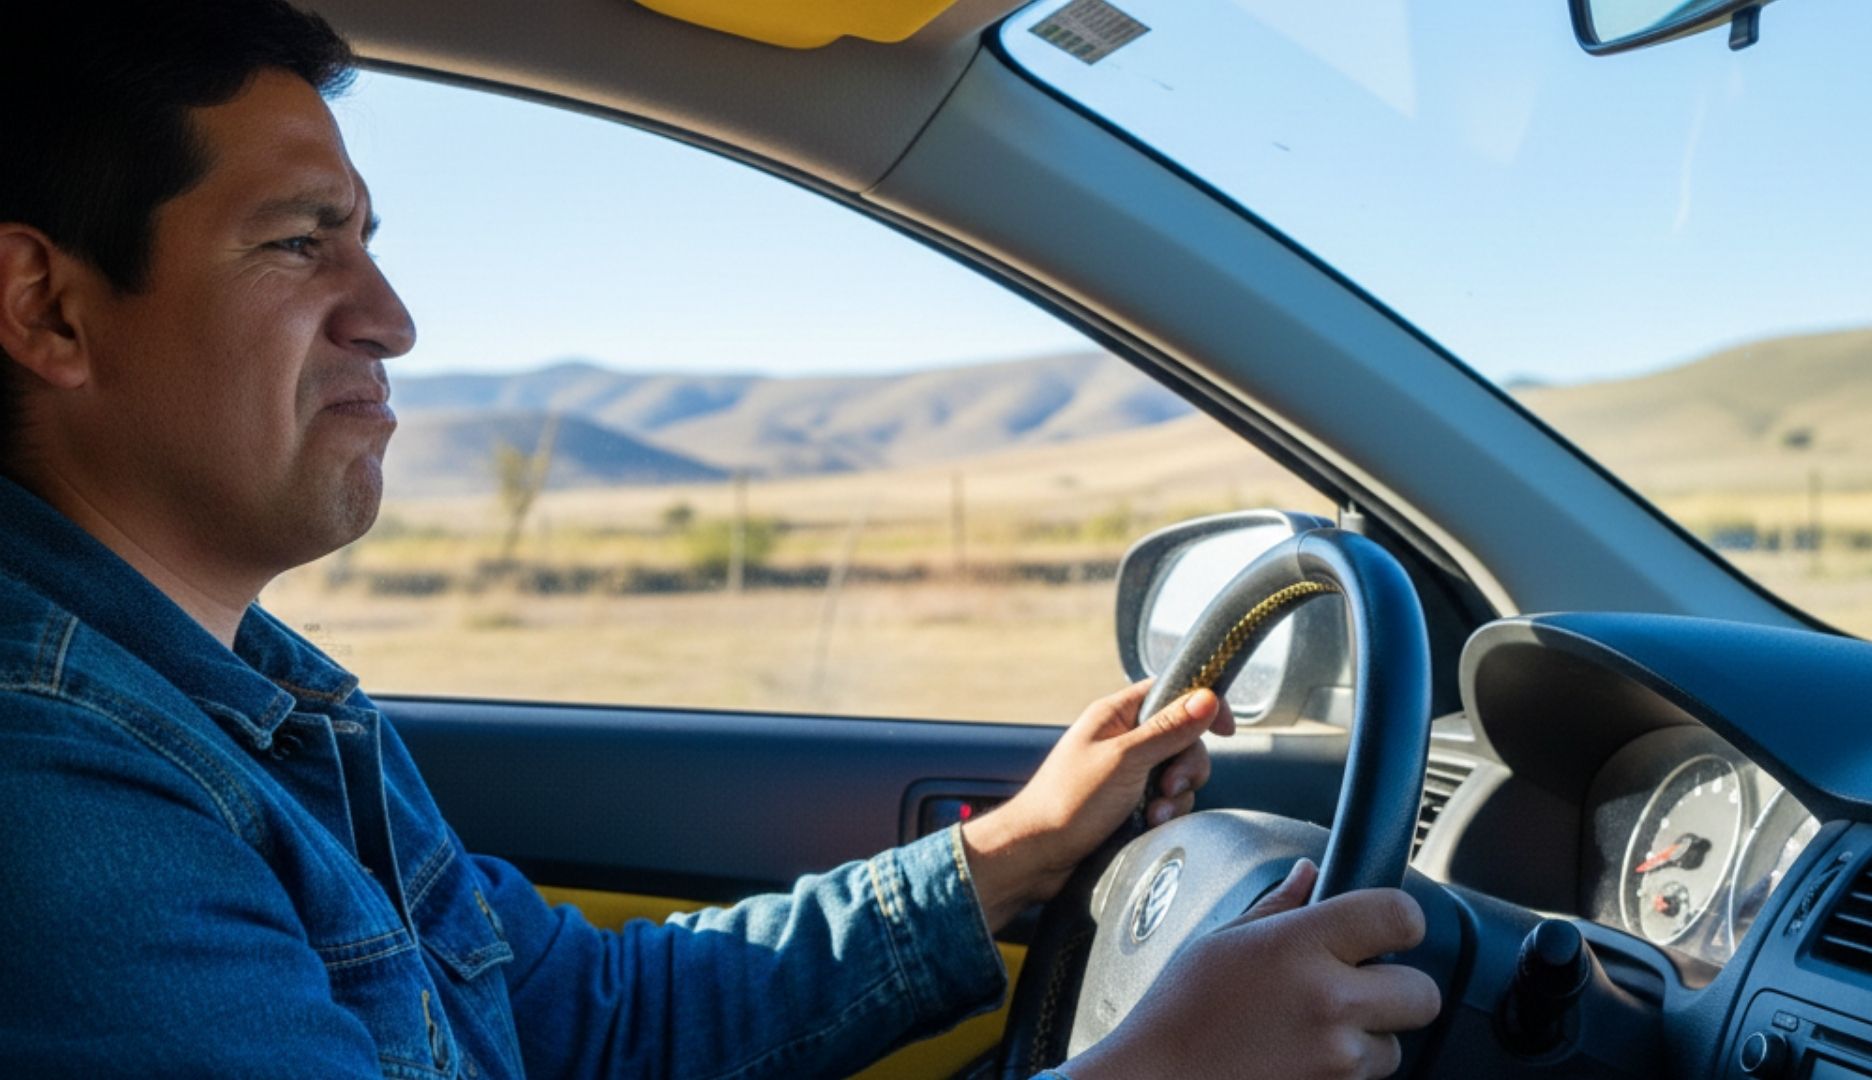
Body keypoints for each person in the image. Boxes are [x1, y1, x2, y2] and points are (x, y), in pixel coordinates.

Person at [0, 3, 1442, 1077]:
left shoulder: (256, 704)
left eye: (368, 238)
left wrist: (1004, 856)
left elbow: (574, 1017)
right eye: (301, 241)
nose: (392, 317)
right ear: (50, 310)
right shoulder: (55, 792)